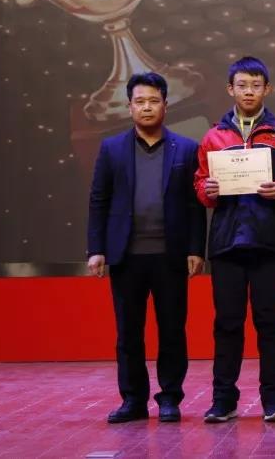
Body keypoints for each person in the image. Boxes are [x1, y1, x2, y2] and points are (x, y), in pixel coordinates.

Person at [195, 57, 275, 423]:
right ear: (230, 89)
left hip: (269, 242)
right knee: (227, 323)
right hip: (227, 243)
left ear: (267, 89)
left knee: (270, 322)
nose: (249, 92)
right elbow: (200, 183)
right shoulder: (214, 136)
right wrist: (207, 190)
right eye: (242, 85)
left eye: (256, 85)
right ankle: (223, 400)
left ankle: (273, 400)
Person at [86, 72, 207, 424]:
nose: (147, 107)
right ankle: (133, 401)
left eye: (154, 101)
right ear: (129, 107)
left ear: (166, 105)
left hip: (171, 255)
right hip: (126, 256)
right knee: (128, 333)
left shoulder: (186, 148)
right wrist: (96, 249)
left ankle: (169, 398)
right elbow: (99, 200)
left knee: (172, 331)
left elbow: (194, 205)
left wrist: (196, 248)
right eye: (139, 101)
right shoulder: (111, 148)